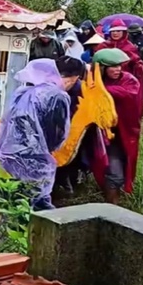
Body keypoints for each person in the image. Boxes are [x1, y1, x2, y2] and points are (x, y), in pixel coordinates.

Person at [0, 59, 71, 210]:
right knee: (37, 202)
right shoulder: (58, 96)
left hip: (9, 155)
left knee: (11, 201)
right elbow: (59, 132)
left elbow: (3, 124)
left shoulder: (20, 93)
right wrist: (50, 148)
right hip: (37, 157)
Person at [89, 48, 143, 205]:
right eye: (112, 66)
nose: (117, 69)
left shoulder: (129, 80)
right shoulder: (92, 79)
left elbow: (128, 93)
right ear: (102, 68)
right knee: (105, 166)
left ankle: (113, 206)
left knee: (119, 169)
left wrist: (102, 89)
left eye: (119, 65)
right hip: (100, 132)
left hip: (124, 132)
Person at [54, 56, 88, 194]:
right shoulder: (51, 86)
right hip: (54, 124)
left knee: (70, 154)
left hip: (72, 125)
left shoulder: (79, 88)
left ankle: (68, 180)